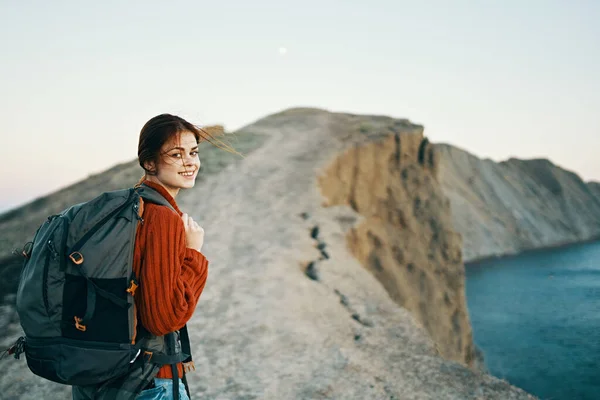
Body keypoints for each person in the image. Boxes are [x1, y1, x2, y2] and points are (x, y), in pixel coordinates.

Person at [72, 114, 233, 400]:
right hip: (148, 382)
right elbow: (162, 319)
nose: (190, 162)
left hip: (105, 375)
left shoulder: (131, 206)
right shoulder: (161, 217)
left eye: (193, 152)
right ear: (149, 162)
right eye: (176, 154)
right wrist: (193, 254)